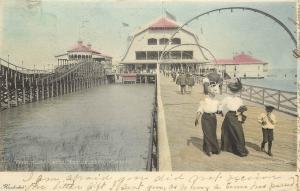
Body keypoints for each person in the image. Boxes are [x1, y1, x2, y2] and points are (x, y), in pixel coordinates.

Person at [195, 72, 222, 156]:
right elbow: (200, 110)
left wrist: (221, 112)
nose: (214, 93)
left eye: (215, 91)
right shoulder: (204, 100)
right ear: (209, 92)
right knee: (207, 133)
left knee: (212, 133)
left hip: (213, 118)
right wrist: (196, 119)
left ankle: (213, 148)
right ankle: (208, 150)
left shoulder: (217, 101)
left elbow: (219, 111)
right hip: (205, 118)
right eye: (212, 91)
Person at [220, 78, 249, 157]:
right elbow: (241, 109)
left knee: (228, 131)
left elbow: (221, 106)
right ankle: (238, 149)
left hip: (231, 116)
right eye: (235, 91)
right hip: (234, 116)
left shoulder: (227, 98)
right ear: (237, 91)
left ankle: (229, 147)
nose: (234, 93)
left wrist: (221, 112)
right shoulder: (239, 99)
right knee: (237, 132)